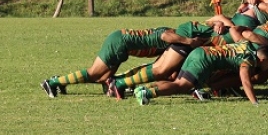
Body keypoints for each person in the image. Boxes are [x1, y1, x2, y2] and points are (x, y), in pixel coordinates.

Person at [40, 27, 206, 98]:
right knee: (96, 74)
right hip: (119, 43)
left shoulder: (173, 41)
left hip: (121, 45)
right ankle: (52, 82)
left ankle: (60, 82)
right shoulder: (172, 34)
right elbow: (164, 35)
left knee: (102, 77)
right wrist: (189, 41)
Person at [133, 42, 268, 106]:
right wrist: (255, 102)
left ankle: (144, 89)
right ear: (263, 59)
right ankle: (148, 93)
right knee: (181, 86)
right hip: (204, 60)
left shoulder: (248, 46)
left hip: (200, 52)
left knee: (177, 82)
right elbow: (245, 81)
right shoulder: (249, 60)